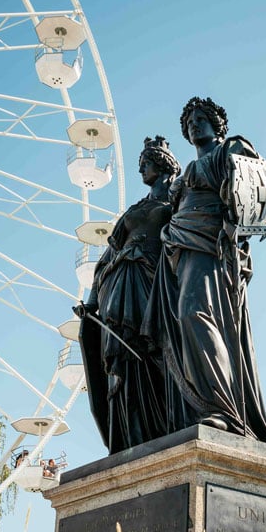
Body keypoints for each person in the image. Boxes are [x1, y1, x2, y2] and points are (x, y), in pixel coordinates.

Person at [142, 97, 266, 444]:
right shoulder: (188, 172)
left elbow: (256, 188)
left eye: (201, 118)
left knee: (194, 312)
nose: (194, 124)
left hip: (210, 244)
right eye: (189, 121)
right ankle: (199, 406)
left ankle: (221, 406)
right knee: (179, 325)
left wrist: (234, 227)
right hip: (182, 247)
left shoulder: (230, 150)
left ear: (218, 123)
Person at [76, 136, 181, 453]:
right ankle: (127, 434)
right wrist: (93, 302)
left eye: (146, 163)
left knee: (146, 351)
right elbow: (108, 256)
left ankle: (156, 425)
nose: (141, 169)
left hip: (152, 281)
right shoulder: (135, 209)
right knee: (119, 355)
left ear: (162, 166)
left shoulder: (175, 204)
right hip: (120, 281)